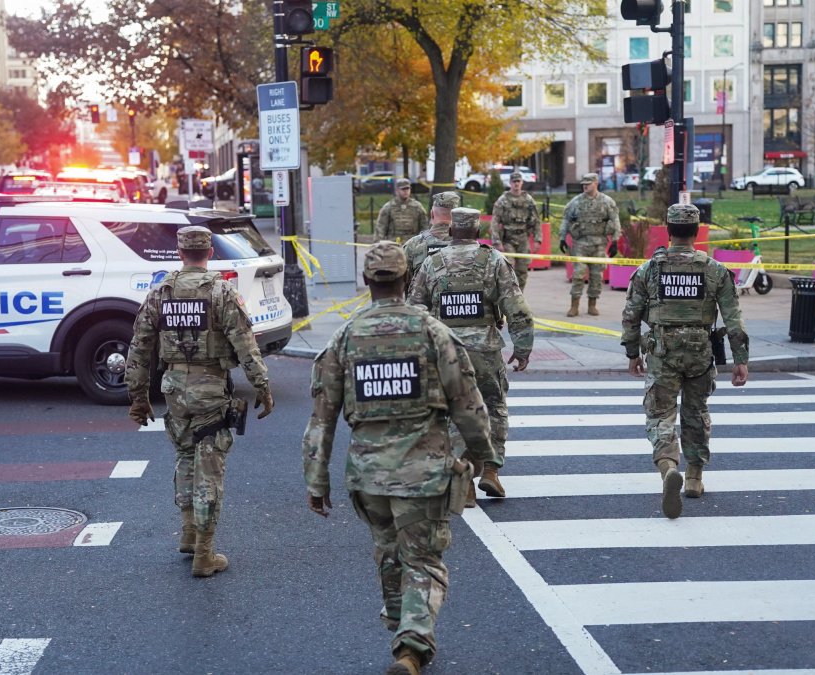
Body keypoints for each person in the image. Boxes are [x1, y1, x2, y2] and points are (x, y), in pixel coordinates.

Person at [303, 241, 493, 675]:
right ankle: (412, 642)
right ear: (407, 279)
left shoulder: (345, 337)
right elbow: (467, 402)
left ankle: (400, 626)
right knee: (423, 560)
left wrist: (316, 479)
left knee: (389, 555)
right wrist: (483, 455)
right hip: (424, 474)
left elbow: (321, 418)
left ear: (366, 281)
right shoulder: (432, 332)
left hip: (369, 477)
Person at [125, 225, 275, 577]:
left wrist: (138, 397)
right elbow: (245, 345)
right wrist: (262, 387)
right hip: (210, 387)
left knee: (185, 457)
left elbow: (139, 348)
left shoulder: (161, 292)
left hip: (174, 388)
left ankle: (189, 533)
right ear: (210, 252)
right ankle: (204, 555)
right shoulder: (221, 292)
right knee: (209, 466)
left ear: (180, 253)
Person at [621, 204, 749, 519]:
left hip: (662, 352)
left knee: (660, 414)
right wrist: (740, 359)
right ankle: (693, 477)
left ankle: (668, 467)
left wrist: (632, 353)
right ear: (697, 232)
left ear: (668, 231)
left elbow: (631, 315)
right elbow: (733, 318)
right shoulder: (715, 270)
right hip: (700, 353)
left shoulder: (649, 269)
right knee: (696, 412)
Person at [408, 207, 533, 505]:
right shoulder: (494, 260)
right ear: (478, 232)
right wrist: (522, 347)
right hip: (485, 353)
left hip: (447, 352)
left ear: (452, 231)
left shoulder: (432, 263)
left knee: (452, 412)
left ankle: (463, 477)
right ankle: (491, 469)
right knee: (494, 407)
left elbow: (414, 308)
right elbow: (517, 308)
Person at [559, 173, 621, 317]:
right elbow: (566, 220)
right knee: (578, 274)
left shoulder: (607, 201)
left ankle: (592, 305)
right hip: (580, 243)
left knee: (596, 276)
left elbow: (615, 220)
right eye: (583, 184)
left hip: (599, 244)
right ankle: (574, 306)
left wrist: (615, 240)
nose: (585, 186)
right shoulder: (576, 202)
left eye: (588, 183)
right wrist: (562, 238)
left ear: (596, 183)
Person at [489, 171, 541, 290]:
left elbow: (536, 221)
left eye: (518, 181)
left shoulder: (528, 199)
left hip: (523, 239)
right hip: (508, 240)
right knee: (508, 269)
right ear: (510, 183)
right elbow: (495, 221)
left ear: (522, 182)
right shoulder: (503, 200)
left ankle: (519, 296)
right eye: (514, 181)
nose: (516, 184)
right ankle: (508, 296)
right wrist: (496, 241)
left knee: (522, 271)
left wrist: (538, 239)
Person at [401, 191, 459, 289]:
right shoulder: (469, 245)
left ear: (432, 214)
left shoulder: (412, 245)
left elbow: (401, 283)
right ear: (457, 216)